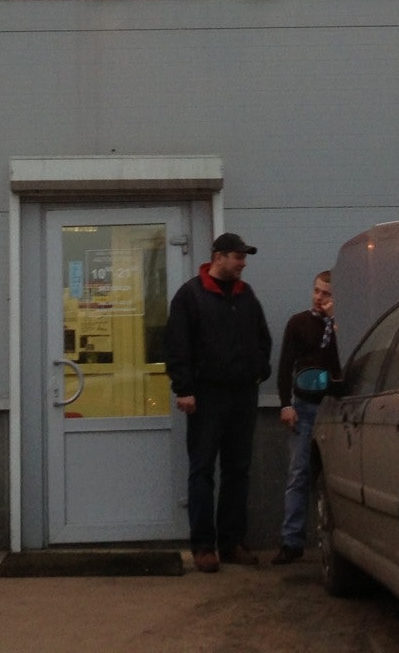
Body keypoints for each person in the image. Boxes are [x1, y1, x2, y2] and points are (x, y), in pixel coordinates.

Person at [165, 231, 273, 573]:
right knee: (202, 470)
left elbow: (262, 337)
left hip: (243, 395)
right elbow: (177, 345)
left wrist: (259, 370)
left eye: (244, 258)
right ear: (219, 257)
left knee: (237, 470)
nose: (243, 264)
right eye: (238, 257)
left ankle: (231, 543)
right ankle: (203, 546)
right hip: (206, 396)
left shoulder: (246, 295)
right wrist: (184, 388)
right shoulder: (190, 296)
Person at [271, 268, 340, 564]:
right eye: (316, 291)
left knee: (336, 474)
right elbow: (286, 364)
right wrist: (285, 404)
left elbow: (346, 359)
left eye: (326, 294)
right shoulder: (298, 323)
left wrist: (336, 322)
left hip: (335, 406)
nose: (319, 298)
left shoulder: (343, 325)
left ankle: (338, 539)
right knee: (298, 473)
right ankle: (292, 540)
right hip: (305, 405)